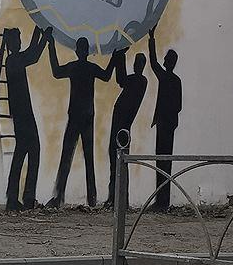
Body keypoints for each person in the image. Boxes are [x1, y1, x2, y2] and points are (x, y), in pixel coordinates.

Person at [46, 36, 115, 208]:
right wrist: (115, 57)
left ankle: (58, 196)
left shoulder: (74, 67)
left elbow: (56, 72)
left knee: (66, 156)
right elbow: (107, 76)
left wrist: (51, 45)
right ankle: (91, 198)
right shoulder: (90, 68)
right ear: (87, 52)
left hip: (76, 116)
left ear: (77, 51)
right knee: (89, 158)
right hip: (87, 116)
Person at [4, 26, 50, 210]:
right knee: (30, 151)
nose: (18, 42)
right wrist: (43, 36)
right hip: (22, 113)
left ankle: (16, 198)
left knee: (23, 152)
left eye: (19, 39)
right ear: (10, 44)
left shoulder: (13, 60)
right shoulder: (13, 60)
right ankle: (23, 197)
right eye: (16, 40)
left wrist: (39, 32)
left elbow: (31, 53)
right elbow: (33, 55)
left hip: (22, 112)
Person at [104, 48, 147, 209]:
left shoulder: (140, 80)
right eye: (135, 63)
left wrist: (119, 56)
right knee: (117, 160)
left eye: (138, 63)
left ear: (141, 65)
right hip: (121, 124)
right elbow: (121, 80)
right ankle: (116, 198)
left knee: (118, 161)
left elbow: (121, 80)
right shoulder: (138, 80)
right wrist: (119, 56)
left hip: (122, 126)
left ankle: (119, 199)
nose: (135, 65)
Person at [149, 26, 183, 211]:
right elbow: (179, 106)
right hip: (170, 124)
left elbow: (153, 62)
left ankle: (161, 202)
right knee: (165, 162)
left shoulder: (166, 78)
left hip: (164, 124)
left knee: (161, 162)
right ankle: (163, 201)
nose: (163, 61)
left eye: (166, 59)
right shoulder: (176, 81)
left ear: (169, 62)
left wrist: (151, 39)